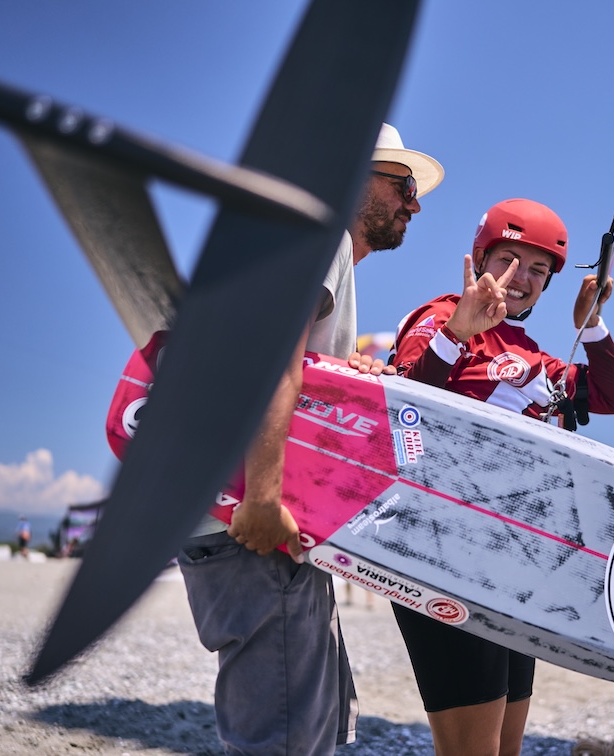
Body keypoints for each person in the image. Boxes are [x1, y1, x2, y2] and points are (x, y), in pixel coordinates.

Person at [168, 124, 443, 755]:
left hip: (242, 515)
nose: (414, 203)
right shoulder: (323, 234)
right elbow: (272, 362)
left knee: (298, 728)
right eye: (401, 185)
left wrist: (347, 376)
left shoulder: (304, 244)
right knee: (285, 739)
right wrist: (263, 499)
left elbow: (285, 365)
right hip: (255, 520)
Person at [389, 198, 614, 756]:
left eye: (538, 270)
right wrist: (457, 331)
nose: (521, 278)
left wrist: (590, 324)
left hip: (515, 565)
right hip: (444, 552)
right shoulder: (439, 316)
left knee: (505, 748)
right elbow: (399, 409)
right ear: (480, 258)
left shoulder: (531, 355)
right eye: (508, 260)